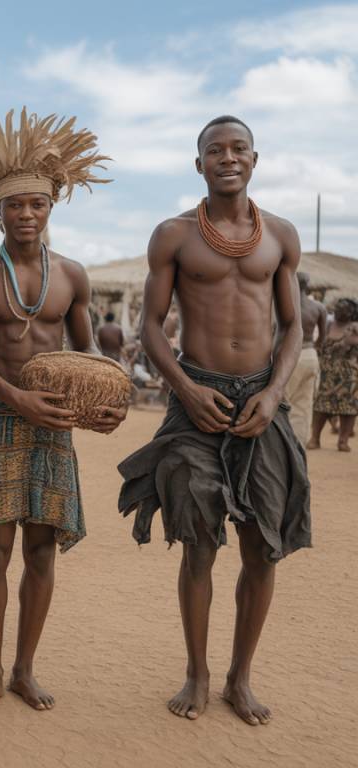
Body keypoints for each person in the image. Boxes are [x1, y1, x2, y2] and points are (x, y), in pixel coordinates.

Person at [118, 116, 310, 725]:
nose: (226, 158)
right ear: (197, 163)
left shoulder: (280, 235)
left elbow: (293, 325)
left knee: (262, 549)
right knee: (198, 542)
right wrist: (185, 387)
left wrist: (275, 393)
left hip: (260, 403)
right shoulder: (173, 235)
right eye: (213, 151)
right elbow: (150, 325)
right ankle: (197, 674)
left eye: (237, 149)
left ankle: (239, 679)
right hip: (195, 401)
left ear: (255, 159)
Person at [0, 108, 125, 715]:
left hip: (54, 426)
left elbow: (89, 350)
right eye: (15, 205)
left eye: (37, 205)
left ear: (52, 209)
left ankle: (24, 669)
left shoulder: (72, 275)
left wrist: (101, 398)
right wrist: (14, 395)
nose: (26, 214)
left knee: (42, 550)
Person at [283, 273, 326, 445]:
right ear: (308, 285)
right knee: (303, 406)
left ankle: (283, 447)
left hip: (288, 356)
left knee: (283, 403)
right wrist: (313, 349)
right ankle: (298, 448)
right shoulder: (318, 307)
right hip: (310, 355)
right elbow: (322, 337)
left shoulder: (283, 304)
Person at [309, 297, 358, 451]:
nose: (342, 310)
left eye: (346, 308)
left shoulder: (355, 328)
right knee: (321, 407)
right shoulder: (328, 325)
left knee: (349, 409)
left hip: (349, 375)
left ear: (352, 313)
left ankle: (343, 441)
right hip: (326, 374)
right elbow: (319, 346)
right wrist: (343, 344)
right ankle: (315, 438)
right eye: (339, 307)